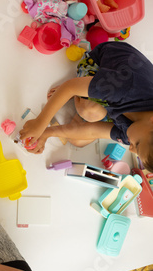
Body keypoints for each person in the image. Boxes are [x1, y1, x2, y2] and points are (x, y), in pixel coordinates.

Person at [19, 41, 153, 172]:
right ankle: (83, 87)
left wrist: (47, 132)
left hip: (117, 99)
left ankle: (85, 89)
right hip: (101, 64)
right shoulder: (127, 88)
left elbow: (93, 131)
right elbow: (69, 87)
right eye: (138, 144)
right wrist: (40, 123)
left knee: (77, 141)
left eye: (136, 152)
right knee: (89, 110)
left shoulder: (137, 132)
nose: (131, 149)